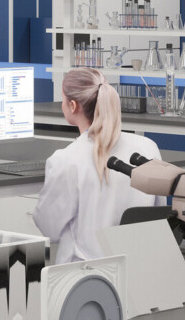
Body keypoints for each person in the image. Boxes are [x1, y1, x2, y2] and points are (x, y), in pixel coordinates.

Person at [33, 68, 162, 265]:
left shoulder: (66, 160)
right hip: (140, 269)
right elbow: (157, 215)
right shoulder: (147, 147)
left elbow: (49, 228)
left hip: (85, 279)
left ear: (73, 106)